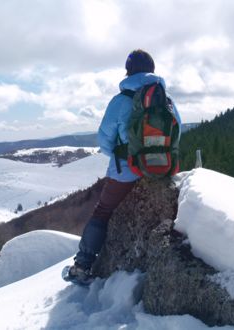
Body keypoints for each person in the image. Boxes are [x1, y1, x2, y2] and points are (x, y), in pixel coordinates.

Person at [65, 49, 182, 284]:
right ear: (152, 70)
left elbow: (104, 140)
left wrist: (123, 155)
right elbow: (177, 130)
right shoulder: (166, 100)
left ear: (128, 72)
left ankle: (82, 265)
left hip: (127, 171)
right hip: (163, 168)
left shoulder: (120, 101)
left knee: (103, 211)